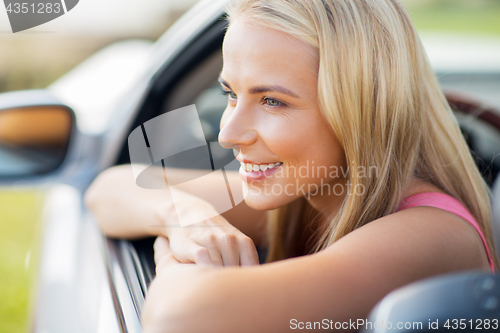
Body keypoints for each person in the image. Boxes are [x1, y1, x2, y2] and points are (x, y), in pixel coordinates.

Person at [84, 0, 498, 331]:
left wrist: (172, 251)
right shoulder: (313, 197)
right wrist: (184, 219)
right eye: (231, 94)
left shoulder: (432, 234)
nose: (229, 133)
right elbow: (110, 189)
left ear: (362, 110)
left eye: (272, 101)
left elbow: (179, 318)